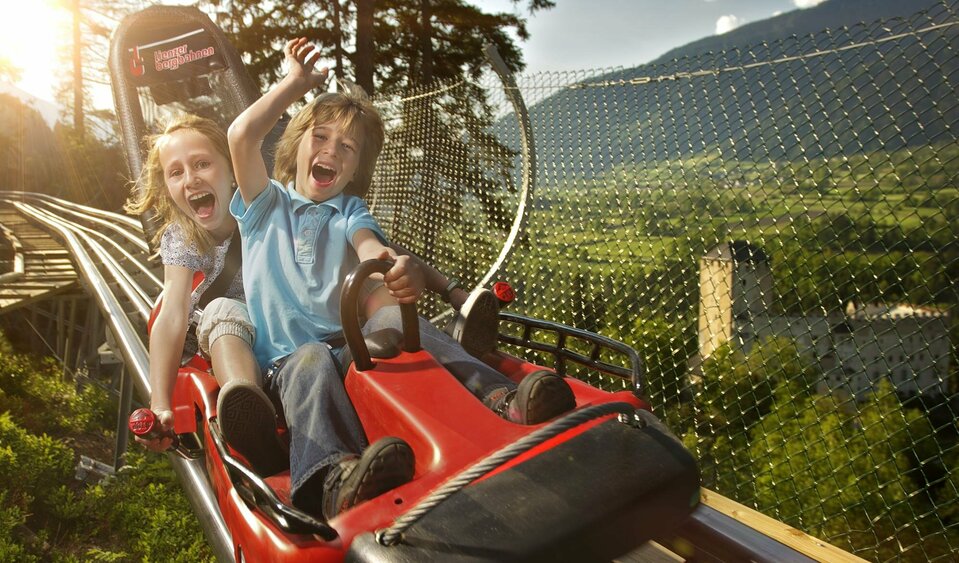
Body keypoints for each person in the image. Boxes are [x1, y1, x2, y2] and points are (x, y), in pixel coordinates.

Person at [227, 37, 575, 520]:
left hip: (344, 342)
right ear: (297, 143)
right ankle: (329, 477)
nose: (331, 150)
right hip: (286, 366)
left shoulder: (349, 209)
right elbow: (242, 136)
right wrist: (295, 83)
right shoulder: (266, 205)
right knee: (310, 357)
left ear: (354, 169)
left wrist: (396, 268)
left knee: (393, 316)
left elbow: (371, 246)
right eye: (320, 137)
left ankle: (500, 397)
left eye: (346, 147)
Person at [125, 115, 286, 475]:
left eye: (201, 164)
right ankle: (246, 409)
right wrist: (160, 403)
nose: (191, 178)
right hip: (226, 330)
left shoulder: (262, 207)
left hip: (278, 320)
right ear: (168, 188)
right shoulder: (183, 236)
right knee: (221, 309)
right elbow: (173, 311)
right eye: (176, 172)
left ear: (232, 171)